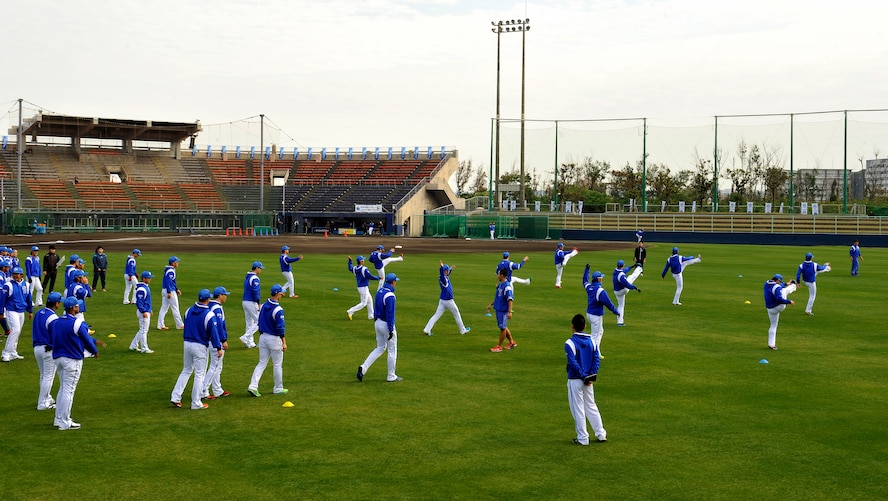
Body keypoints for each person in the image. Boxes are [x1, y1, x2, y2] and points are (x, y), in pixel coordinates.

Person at [51, 296, 104, 430]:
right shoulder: (77, 323)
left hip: (58, 357)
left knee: (63, 388)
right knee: (69, 390)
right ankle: (65, 422)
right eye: (77, 306)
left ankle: (58, 419)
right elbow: (86, 339)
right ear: (74, 308)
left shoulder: (57, 321)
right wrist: (94, 351)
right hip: (72, 359)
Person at [171, 289, 223, 410]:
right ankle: (196, 402)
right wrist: (218, 348)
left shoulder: (188, 310)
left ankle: (175, 396)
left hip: (187, 343)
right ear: (208, 299)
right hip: (199, 345)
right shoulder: (209, 315)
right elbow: (214, 334)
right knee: (199, 374)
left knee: (186, 370)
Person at [565, 313, 606, 445]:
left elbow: (572, 362)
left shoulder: (569, 343)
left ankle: (583, 438)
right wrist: (591, 376)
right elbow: (596, 360)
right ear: (585, 326)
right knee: (591, 406)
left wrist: (583, 375)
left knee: (578, 408)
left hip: (575, 379)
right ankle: (600, 433)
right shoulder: (592, 341)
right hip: (589, 380)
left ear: (572, 327)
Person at [357, 273, 402, 382]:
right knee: (392, 349)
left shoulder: (379, 291)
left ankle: (363, 368)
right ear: (393, 282)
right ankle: (391, 376)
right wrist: (391, 329)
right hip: (386, 324)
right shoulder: (390, 296)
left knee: (380, 347)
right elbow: (390, 314)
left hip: (377, 322)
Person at [248, 284, 289, 396]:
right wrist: (284, 342)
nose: (282, 295)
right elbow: (280, 328)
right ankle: (278, 388)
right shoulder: (278, 309)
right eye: (281, 293)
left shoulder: (264, 305)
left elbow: (260, 322)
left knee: (261, 363)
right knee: (277, 364)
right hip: (274, 339)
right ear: (277, 294)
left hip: (263, 337)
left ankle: (253, 385)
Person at [32, 292, 62, 411]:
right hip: (48, 349)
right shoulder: (53, 317)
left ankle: (47, 397)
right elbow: (56, 335)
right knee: (48, 377)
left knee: (44, 375)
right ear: (56, 303)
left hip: (37, 347)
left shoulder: (39, 312)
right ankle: (43, 403)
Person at [423, 261, 470, 336]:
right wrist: (441, 267)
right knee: (457, 314)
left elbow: (446, 273)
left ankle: (427, 329)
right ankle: (463, 330)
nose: (449, 271)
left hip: (442, 300)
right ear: (445, 271)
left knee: (436, 315)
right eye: (447, 270)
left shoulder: (445, 277)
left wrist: (451, 268)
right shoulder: (443, 279)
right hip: (448, 300)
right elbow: (442, 274)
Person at [202, 286, 232, 400]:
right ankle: (203, 390)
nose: (226, 297)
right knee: (215, 365)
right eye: (225, 295)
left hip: (208, 339)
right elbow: (219, 326)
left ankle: (217, 389)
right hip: (216, 340)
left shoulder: (209, 305)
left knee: (218, 366)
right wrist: (223, 340)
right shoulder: (217, 308)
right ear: (220, 296)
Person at [583, 265, 619, 356]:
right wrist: (615, 311)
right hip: (596, 315)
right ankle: (592, 354)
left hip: (589, 313)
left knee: (600, 331)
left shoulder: (589, 287)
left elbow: (585, 280)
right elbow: (608, 303)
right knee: (595, 335)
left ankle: (596, 352)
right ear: (599, 279)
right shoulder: (600, 291)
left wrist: (587, 270)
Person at [1, 266, 34, 362]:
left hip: (21, 311)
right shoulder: (8, 285)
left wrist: (30, 310)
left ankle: (13, 352)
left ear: (21, 275)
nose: (15, 276)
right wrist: (1, 312)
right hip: (12, 310)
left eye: (17, 274)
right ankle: (6, 353)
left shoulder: (26, 285)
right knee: (15, 330)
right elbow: (2, 299)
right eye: (14, 274)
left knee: (17, 332)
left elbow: (29, 298)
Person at [486, 268, 516, 352]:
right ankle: (512, 342)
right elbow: (498, 297)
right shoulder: (500, 285)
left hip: (503, 310)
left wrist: (510, 312)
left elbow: (510, 299)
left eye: (498, 274)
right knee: (503, 326)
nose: (497, 275)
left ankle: (499, 346)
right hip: (498, 309)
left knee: (502, 328)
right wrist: (491, 305)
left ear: (502, 275)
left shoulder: (507, 287)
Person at [764, 274, 797, 350]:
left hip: (769, 308)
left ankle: (771, 344)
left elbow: (777, 285)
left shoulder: (766, 283)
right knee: (784, 290)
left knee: (773, 326)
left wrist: (786, 284)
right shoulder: (777, 288)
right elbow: (779, 299)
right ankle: (793, 286)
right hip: (779, 307)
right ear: (778, 280)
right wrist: (789, 301)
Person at [239, 261, 264, 348]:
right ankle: (245, 337)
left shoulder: (248, 277)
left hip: (245, 301)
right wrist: (258, 302)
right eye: (260, 268)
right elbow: (256, 291)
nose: (261, 270)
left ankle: (250, 343)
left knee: (249, 322)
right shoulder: (255, 278)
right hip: (251, 302)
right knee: (260, 321)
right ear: (256, 268)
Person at [346, 255, 379, 320]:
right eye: (363, 260)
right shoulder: (364, 269)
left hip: (360, 287)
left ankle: (371, 315)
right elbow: (370, 276)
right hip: (363, 287)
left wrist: (350, 261)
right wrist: (378, 278)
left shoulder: (355, 268)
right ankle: (350, 311)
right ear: (361, 262)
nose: (364, 261)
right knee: (364, 303)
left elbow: (350, 268)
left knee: (370, 300)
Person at [129, 271, 154, 353]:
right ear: (144, 278)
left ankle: (133, 345)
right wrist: (144, 311)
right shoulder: (142, 289)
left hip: (146, 310)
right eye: (148, 278)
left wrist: (149, 310)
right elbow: (139, 302)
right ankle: (144, 348)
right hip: (143, 312)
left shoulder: (145, 287)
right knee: (144, 330)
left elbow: (147, 300)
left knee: (142, 330)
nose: (150, 279)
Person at [612, 259, 642, 326]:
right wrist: (635, 288)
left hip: (616, 291)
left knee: (621, 305)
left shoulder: (616, 271)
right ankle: (639, 269)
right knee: (631, 277)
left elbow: (625, 270)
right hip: (623, 290)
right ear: (623, 265)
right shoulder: (621, 276)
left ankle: (620, 322)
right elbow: (627, 285)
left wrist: (633, 266)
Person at [157, 256, 184, 331]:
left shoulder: (169, 270)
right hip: (169, 291)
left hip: (166, 290)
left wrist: (176, 289)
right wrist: (169, 292)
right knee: (175, 308)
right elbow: (168, 282)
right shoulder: (171, 271)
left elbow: (172, 282)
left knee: (164, 308)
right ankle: (179, 324)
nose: (178, 263)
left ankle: (160, 325)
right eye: (176, 262)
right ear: (173, 263)